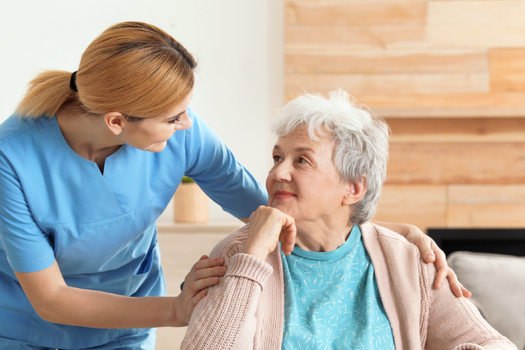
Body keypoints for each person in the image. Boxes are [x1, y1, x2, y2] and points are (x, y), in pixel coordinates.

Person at [0, 21, 463, 349]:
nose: (186, 125)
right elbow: (52, 298)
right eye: (172, 118)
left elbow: (278, 205)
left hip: (125, 332)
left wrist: (388, 234)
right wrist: (175, 311)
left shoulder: (184, 134)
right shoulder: (12, 159)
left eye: (186, 110)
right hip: (29, 330)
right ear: (118, 121)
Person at [181, 90, 515, 350]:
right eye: (277, 157)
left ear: (353, 188)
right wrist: (251, 259)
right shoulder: (241, 252)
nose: (278, 172)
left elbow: (493, 343)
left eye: (302, 161)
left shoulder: (408, 260)